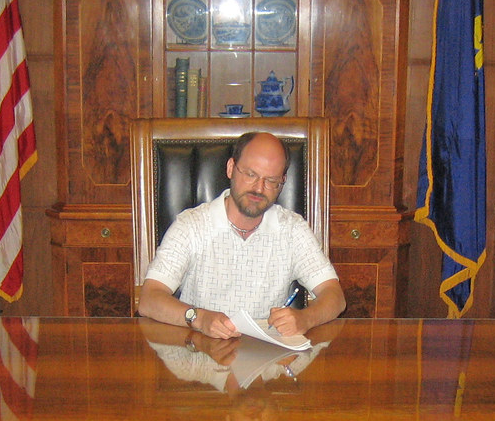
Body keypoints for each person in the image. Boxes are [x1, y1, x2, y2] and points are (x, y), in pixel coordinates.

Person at [138, 131, 346, 338]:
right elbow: (149, 299)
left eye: (271, 180)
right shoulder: (191, 225)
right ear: (230, 168)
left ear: (282, 183)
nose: (259, 188)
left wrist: (305, 319)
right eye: (251, 175)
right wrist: (198, 318)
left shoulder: (292, 229)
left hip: (268, 360)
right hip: (201, 354)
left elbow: (335, 297)